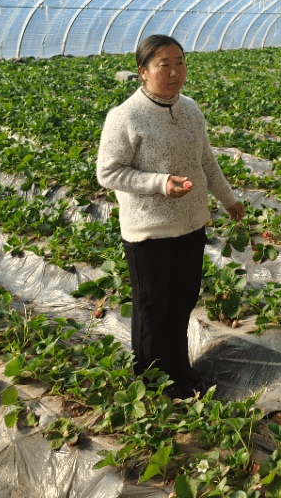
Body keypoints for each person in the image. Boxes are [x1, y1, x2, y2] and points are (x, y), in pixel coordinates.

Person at [97, 34, 244, 399]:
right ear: (143, 72)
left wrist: (227, 198)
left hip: (191, 224)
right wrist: (161, 183)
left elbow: (205, 160)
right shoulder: (125, 117)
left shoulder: (191, 109)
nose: (175, 72)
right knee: (153, 310)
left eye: (180, 62)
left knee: (182, 301)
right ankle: (152, 383)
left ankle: (179, 369)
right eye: (164, 65)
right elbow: (109, 172)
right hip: (149, 231)